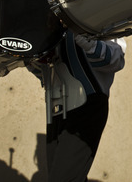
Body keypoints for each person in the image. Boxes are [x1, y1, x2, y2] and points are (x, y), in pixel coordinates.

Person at [27, 30, 126, 181]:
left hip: (87, 103)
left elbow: (115, 59)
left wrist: (81, 37)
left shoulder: (102, 13)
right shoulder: (46, 20)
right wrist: (32, 57)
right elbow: (42, 74)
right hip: (56, 109)